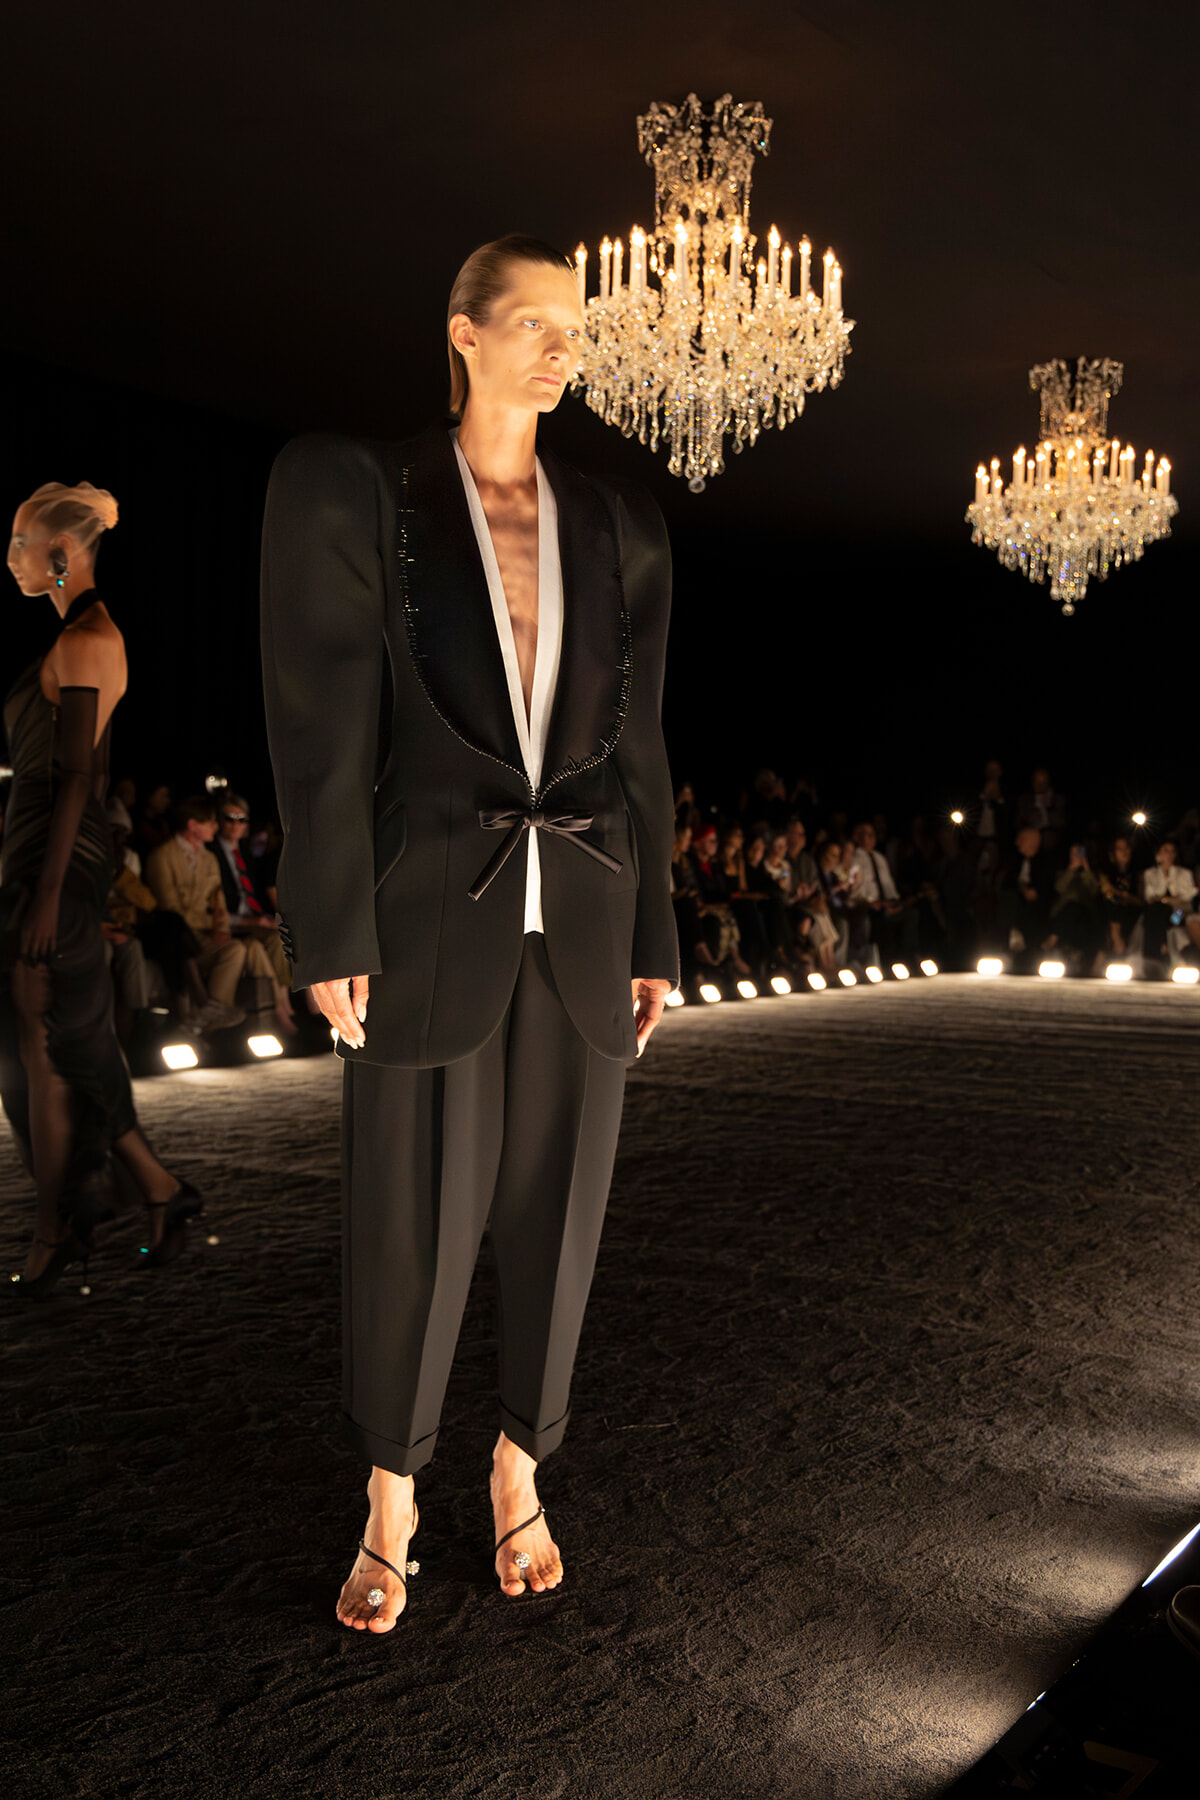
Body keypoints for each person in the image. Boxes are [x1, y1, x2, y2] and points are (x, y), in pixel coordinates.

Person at [261, 234, 677, 1633]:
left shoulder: (622, 523)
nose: (568, 348)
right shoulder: (359, 492)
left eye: (580, 327)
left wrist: (657, 931)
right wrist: (329, 922)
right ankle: (393, 1493)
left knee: (561, 1218)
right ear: (464, 330)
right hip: (426, 903)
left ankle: (521, 1465)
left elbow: (643, 750)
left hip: (588, 910)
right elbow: (323, 722)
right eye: (540, 322)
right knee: (413, 1226)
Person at [2, 481, 203, 1293]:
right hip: (38, 862)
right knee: (51, 1050)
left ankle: (61, 1231)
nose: (10, 558)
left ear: (62, 553)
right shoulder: (73, 639)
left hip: (58, 869)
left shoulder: (89, 638)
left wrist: (49, 893)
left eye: (19, 542)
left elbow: (80, 775)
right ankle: (145, 1194)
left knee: (51, 1053)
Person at [144, 798, 247, 1030]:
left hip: (203, 935)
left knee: (235, 949)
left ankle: (209, 1014)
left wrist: (221, 929)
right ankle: (209, 1016)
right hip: (179, 938)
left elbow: (218, 900)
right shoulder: (162, 857)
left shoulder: (209, 858)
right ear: (192, 825)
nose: (216, 827)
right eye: (210, 822)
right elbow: (169, 910)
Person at [210, 792, 296, 1035]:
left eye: (242, 819)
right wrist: (252, 919)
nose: (237, 824)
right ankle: (283, 1009)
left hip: (253, 920)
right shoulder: (212, 853)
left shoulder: (247, 854)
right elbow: (217, 905)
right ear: (218, 821)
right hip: (230, 923)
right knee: (274, 939)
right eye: (230, 818)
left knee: (281, 935)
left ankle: (287, 1007)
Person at [1141, 840, 1196, 966]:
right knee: (1156, 911)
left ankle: (1163, 945)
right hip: (1159, 912)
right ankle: (1158, 950)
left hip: (1180, 911)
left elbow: (1188, 895)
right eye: (1166, 851)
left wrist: (1165, 899)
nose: (1169, 855)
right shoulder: (1151, 873)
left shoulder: (1184, 873)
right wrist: (1168, 898)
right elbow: (1150, 896)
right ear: (1159, 853)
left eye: (1172, 851)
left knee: (1167, 914)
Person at [1097, 836, 1142, 961]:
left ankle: (1116, 940)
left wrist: (1121, 894)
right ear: (1113, 853)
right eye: (1120, 849)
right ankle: (1115, 939)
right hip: (1109, 912)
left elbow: (1140, 900)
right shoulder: (1106, 872)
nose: (1124, 852)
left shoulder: (1136, 874)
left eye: (1127, 848)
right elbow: (1106, 893)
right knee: (1111, 904)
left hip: (1131, 911)